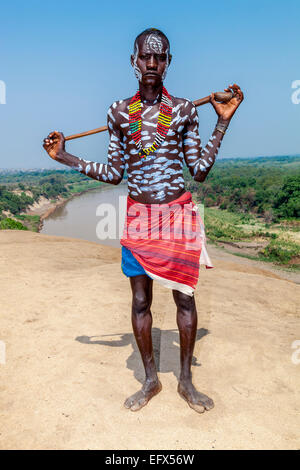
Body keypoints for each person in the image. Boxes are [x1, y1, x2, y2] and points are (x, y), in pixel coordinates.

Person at [43, 28, 243, 413]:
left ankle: (185, 381)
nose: (152, 63)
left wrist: (222, 122)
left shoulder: (185, 109)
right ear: (133, 61)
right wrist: (65, 158)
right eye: (145, 57)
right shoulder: (119, 112)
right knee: (139, 301)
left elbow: (198, 171)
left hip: (177, 214)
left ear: (169, 62)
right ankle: (151, 380)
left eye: (160, 57)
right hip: (139, 218)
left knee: (185, 299)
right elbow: (114, 173)